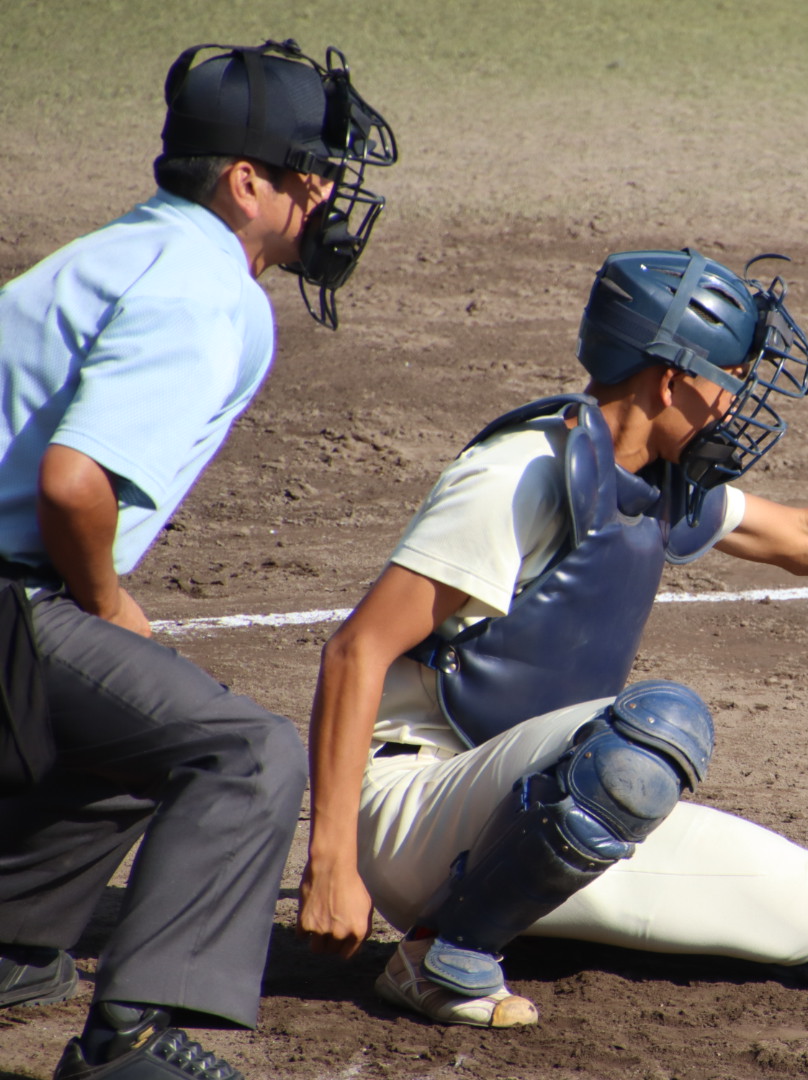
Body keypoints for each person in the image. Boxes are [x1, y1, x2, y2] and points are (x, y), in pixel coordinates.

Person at [296, 247, 808, 1027]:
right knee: (652, 731)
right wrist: (331, 863)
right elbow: (357, 651)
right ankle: (443, 963)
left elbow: (806, 536)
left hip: (529, 805)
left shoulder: (654, 479)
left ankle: (519, 912)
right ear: (666, 378)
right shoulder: (518, 476)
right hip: (412, 807)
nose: (730, 404)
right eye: (722, 380)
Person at [0, 39, 395, 1080]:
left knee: (139, 735)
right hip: (7, 603)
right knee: (245, 752)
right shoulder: (199, 288)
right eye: (311, 176)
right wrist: (107, 602)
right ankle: (128, 1045)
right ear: (247, 182)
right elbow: (73, 483)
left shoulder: (123, 249)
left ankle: (5, 943)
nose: (326, 199)